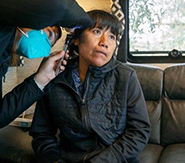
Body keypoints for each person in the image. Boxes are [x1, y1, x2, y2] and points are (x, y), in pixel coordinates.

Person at [29, 10, 151, 163]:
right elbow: (42, 133)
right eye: (97, 31)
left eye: (112, 36)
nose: (104, 42)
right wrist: (52, 159)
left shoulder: (126, 76)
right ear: (76, 39)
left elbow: (139, 132)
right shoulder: (54, 75)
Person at [0, 0, 92, 134]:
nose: (45, 44)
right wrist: (86, 23)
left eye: (50, 43)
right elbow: (57, 5)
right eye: (49, 34)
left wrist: (39, 81)